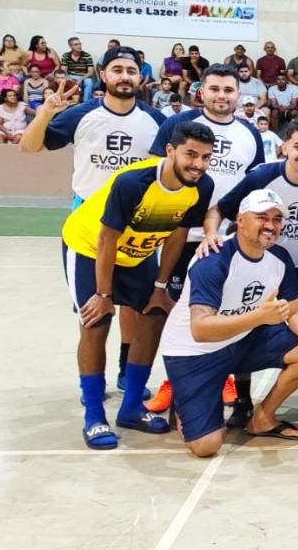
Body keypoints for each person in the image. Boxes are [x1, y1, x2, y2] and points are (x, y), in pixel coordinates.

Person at [61, 120, 215, 448]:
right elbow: (106, 239)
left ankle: (131, 408)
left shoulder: (202, 186)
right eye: (191, 154)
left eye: (205, 157)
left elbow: (178, 234)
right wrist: (104, 294)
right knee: (96, 321)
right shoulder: (134, 182)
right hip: (89, 247)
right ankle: (93, 416)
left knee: (154, 314)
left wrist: (160, 286)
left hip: (138, 252)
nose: (198, 164)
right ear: (170, 151)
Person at [160, 188, 298, 456]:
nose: (270, 225)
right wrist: (259, 316)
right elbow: (200, 330)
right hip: (193, 353)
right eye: (262, 217)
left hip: (241, 341)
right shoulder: (214, 259)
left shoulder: (279, 258)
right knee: (206, 446)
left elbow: (296, 309)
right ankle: (186, 398)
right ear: (240, 220)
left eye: (276, 219)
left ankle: (263, 419)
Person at [197, 118, 298, 420]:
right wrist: (211, 233)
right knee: (249, 321)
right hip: (259, 264)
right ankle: (243, 400)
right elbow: (219, 210)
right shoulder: (263, 176)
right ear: (284, 147)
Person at [144, 63, 265, 414]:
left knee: (223, 309)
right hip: (179, 234)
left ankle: (221, 375)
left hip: (226, 239)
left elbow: (252, 187)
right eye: (214, 89)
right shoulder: (178, 127)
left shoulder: (249, 134)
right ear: (202, 91)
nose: (221, 96)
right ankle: (172, 381)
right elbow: (156, 175)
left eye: (228, 90)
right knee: (175, 311)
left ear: (238, 95)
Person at [21, 47, 166, 212]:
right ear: (103, 75)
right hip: (87, 208)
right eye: (117, 70)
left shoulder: (157, 121)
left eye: (131, 71)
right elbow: (28, 147)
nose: (125, 76)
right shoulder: (79, 115)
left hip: (137, 211)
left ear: (139, 78)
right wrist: (45, 114)